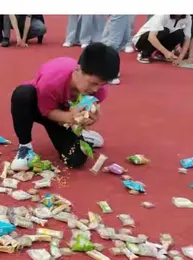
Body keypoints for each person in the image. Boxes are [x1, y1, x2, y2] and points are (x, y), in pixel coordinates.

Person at [10, 43, 119, 172]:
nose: (95, 89)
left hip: (64, 119)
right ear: (78, 69)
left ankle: (83, 136)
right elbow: (47, 112)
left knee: (76, 159)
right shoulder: (52, 80)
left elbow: (85, 113)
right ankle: (25, 148)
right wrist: (70, 117)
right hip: (37, 106)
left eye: (101, 84)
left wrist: (89, 120)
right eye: (92, 83)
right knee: (22, 95)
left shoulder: (100, 90)